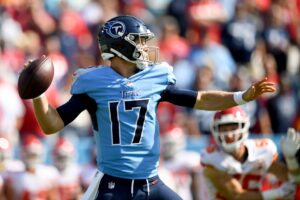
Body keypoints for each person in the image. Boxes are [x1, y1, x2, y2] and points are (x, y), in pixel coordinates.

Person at [28, 15, 276, 200]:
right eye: (138, 41)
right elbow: (51, 125)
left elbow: (201, 98)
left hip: (151, 182)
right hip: (113, 186)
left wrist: (242, 97)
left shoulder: (155, 78)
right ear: (121, 46)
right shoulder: (93, 83)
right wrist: (37, 94)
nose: (145, 48)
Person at [200, 106, 299, 200]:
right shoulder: (211, 158)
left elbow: (293, 179)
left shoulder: (261, 150)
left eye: (233, 128)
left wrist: (291, 159)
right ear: (215, 130)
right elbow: (237, 197)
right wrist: (278, 193)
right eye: (224, 129)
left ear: (244, 126)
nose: (229, 135)